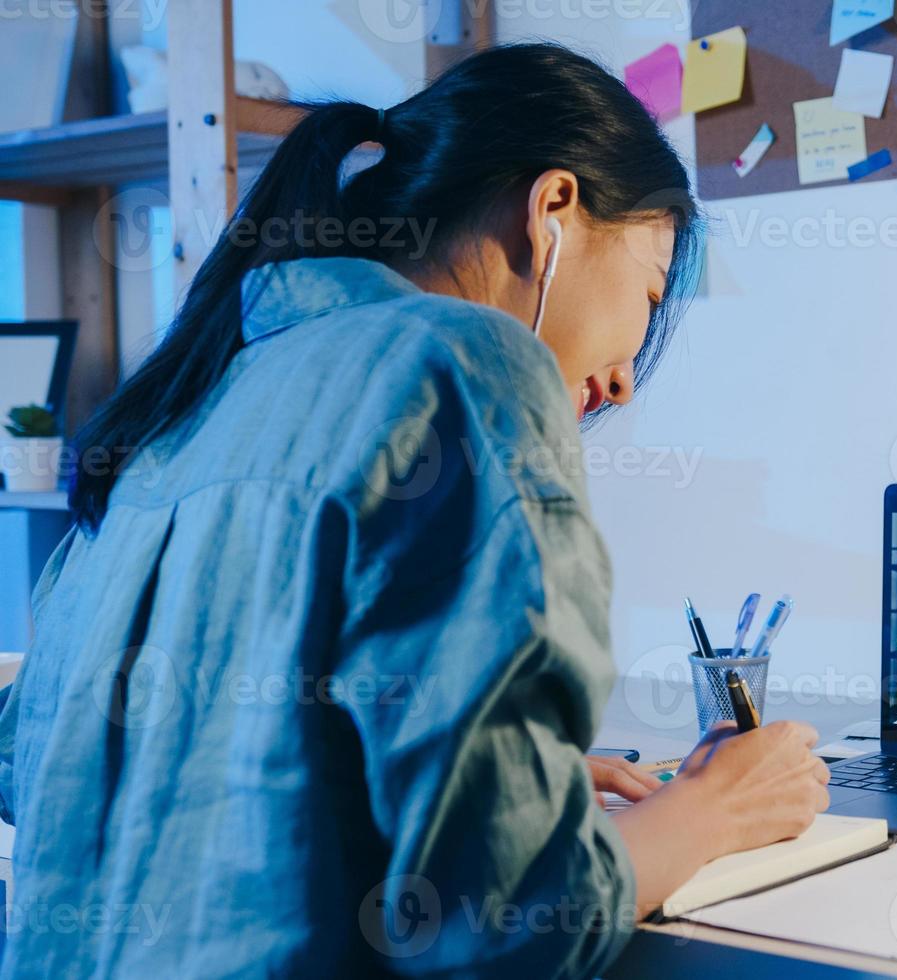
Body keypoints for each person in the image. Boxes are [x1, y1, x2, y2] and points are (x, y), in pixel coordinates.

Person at [0, 45, 828, 977]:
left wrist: (491, 784)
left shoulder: (181, 395)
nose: (628, 381)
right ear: (552, 208)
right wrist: (714, 809)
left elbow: (36, 766)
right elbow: (505, 915)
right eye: (646, 290)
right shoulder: (463, 363)